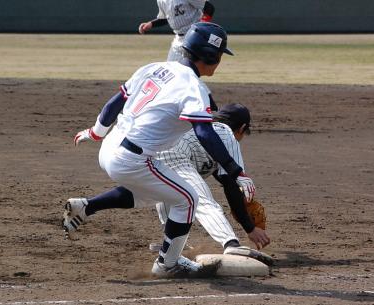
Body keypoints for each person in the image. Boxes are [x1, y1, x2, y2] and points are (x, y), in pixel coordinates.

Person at [66, 22, 256, 278]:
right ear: (211, 56)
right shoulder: (194, 88)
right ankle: (168, 264)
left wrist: (96, 132)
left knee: (163, 191)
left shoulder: (154, 67)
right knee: (188, 199)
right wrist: (236, 172)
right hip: (132, 159)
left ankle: (85, 207)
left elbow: (116, 101)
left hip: (112, 146)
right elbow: (204, 132)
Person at [64, 104, 272, 265]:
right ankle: (231, 244)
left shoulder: (204, 126)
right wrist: (249, 227)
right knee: (201, 200)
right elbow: (230, 186)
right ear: (242, 128)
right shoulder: (227, 135)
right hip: (176, 157)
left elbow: (221, 176)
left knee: (156, 194)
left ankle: (87, 206)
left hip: (155, 153)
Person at [138, 0, 215, 61]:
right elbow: (166, 18)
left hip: (193, 36)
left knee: (188, 71)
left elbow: (209, 8)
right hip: (178, 39)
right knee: (171, 70)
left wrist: (202, 25)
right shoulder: (161, 1)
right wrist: (151, 24)